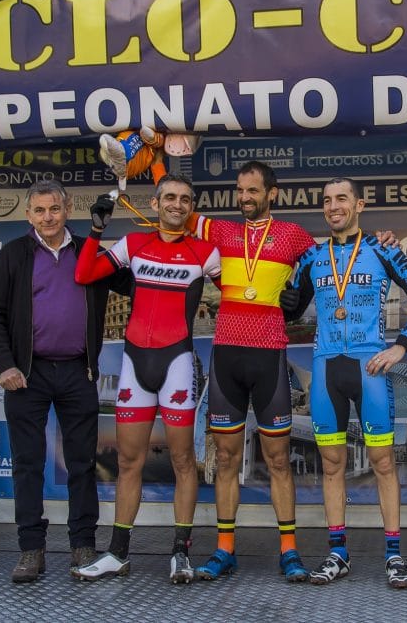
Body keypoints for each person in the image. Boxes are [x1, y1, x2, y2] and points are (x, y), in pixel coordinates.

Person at [101, 133, 316, 582]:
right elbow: (173, 204)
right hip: (227, 357)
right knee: (225, 457)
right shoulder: (219, 232)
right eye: (239, 191)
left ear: (271, 193)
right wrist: (155, 159)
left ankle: (290, 550)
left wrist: (303, 295)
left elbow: (332, 258)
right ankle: (224, 549)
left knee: (277, 460)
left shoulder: (293, 235)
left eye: (252, 191)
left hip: (270, 354)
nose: (244, 198)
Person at [281, 177, 407, 589]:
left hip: (370, 368)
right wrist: (287, 295)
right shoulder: (314, 257)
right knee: (331, 466)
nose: (334, 207)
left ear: (359, 205)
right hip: (326, 369)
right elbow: (291, 310)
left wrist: (402, 346)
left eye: (341, 199)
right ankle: (337, 552)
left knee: (383, 463)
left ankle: (394, 554)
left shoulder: (383, 249)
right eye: (327, 201)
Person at [70, 175, 221, 584]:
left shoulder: (205, 253)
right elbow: (85, 274)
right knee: (128, 461)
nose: (177, 204)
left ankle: (180, 552)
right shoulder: (134, 245)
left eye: (185, 199)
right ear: (155, 203)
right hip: (136, 364)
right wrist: (97, 229)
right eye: (169, 197)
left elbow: (241, 294)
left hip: (176, 364)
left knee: (183, 461)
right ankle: (118, 553)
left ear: (191, 208)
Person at [0, 179, 132, 583]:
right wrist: (5, 366)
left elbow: (135, 284)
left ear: (68, 210)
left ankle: (83, 543)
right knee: (27, 465)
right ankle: (31, 550)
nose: (48, 217)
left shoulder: (90, 253)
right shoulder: (13, 256)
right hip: (26, 376)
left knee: (82, 464)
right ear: (29, 215)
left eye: (55, 209)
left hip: (78, 372)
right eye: (40, 211)